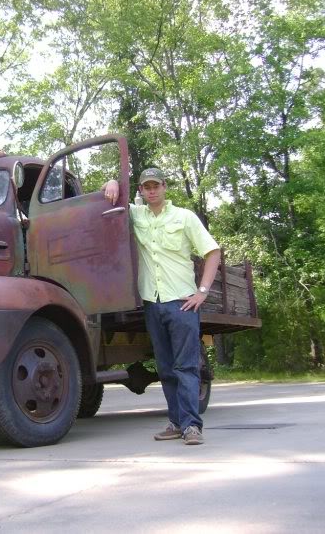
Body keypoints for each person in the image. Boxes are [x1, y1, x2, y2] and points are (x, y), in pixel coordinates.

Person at [103, 168, 220, 445]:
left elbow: (212, 251)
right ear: (141, 191)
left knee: (186, 367)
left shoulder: (184, 217)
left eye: (156, 185)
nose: (152, 190)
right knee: (166, 368)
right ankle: (176, 422)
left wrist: (202, 292)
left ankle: (192, 426)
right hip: (152, 304)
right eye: (147, 187)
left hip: (182, 304)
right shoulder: (136, 215)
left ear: (165, 187)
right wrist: (111, 181)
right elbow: (110, 202)